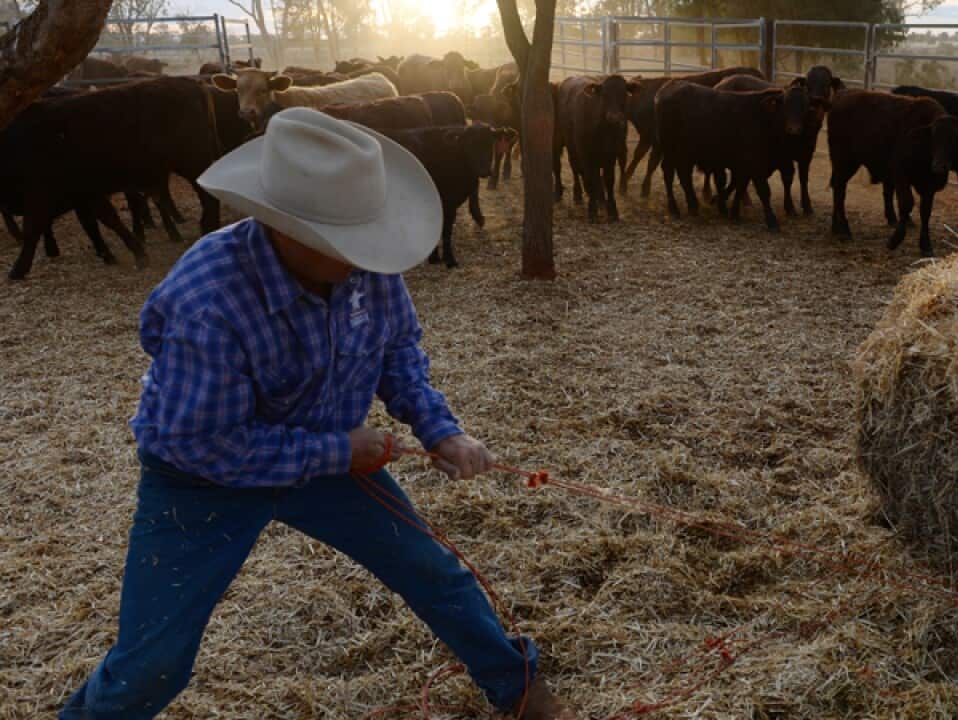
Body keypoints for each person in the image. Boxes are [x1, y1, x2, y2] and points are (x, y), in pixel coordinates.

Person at [61, 108, 574, 720]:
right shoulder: (208, 298)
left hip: (333, 460)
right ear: (289, 232)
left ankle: (516, 687)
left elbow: (398, 351)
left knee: (432, 570)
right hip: (203, 485)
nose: (367, 258)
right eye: (350, 245)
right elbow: (198, 443)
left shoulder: (368, 269)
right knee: (154, 662)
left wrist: (442, 429)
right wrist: (340, 452)